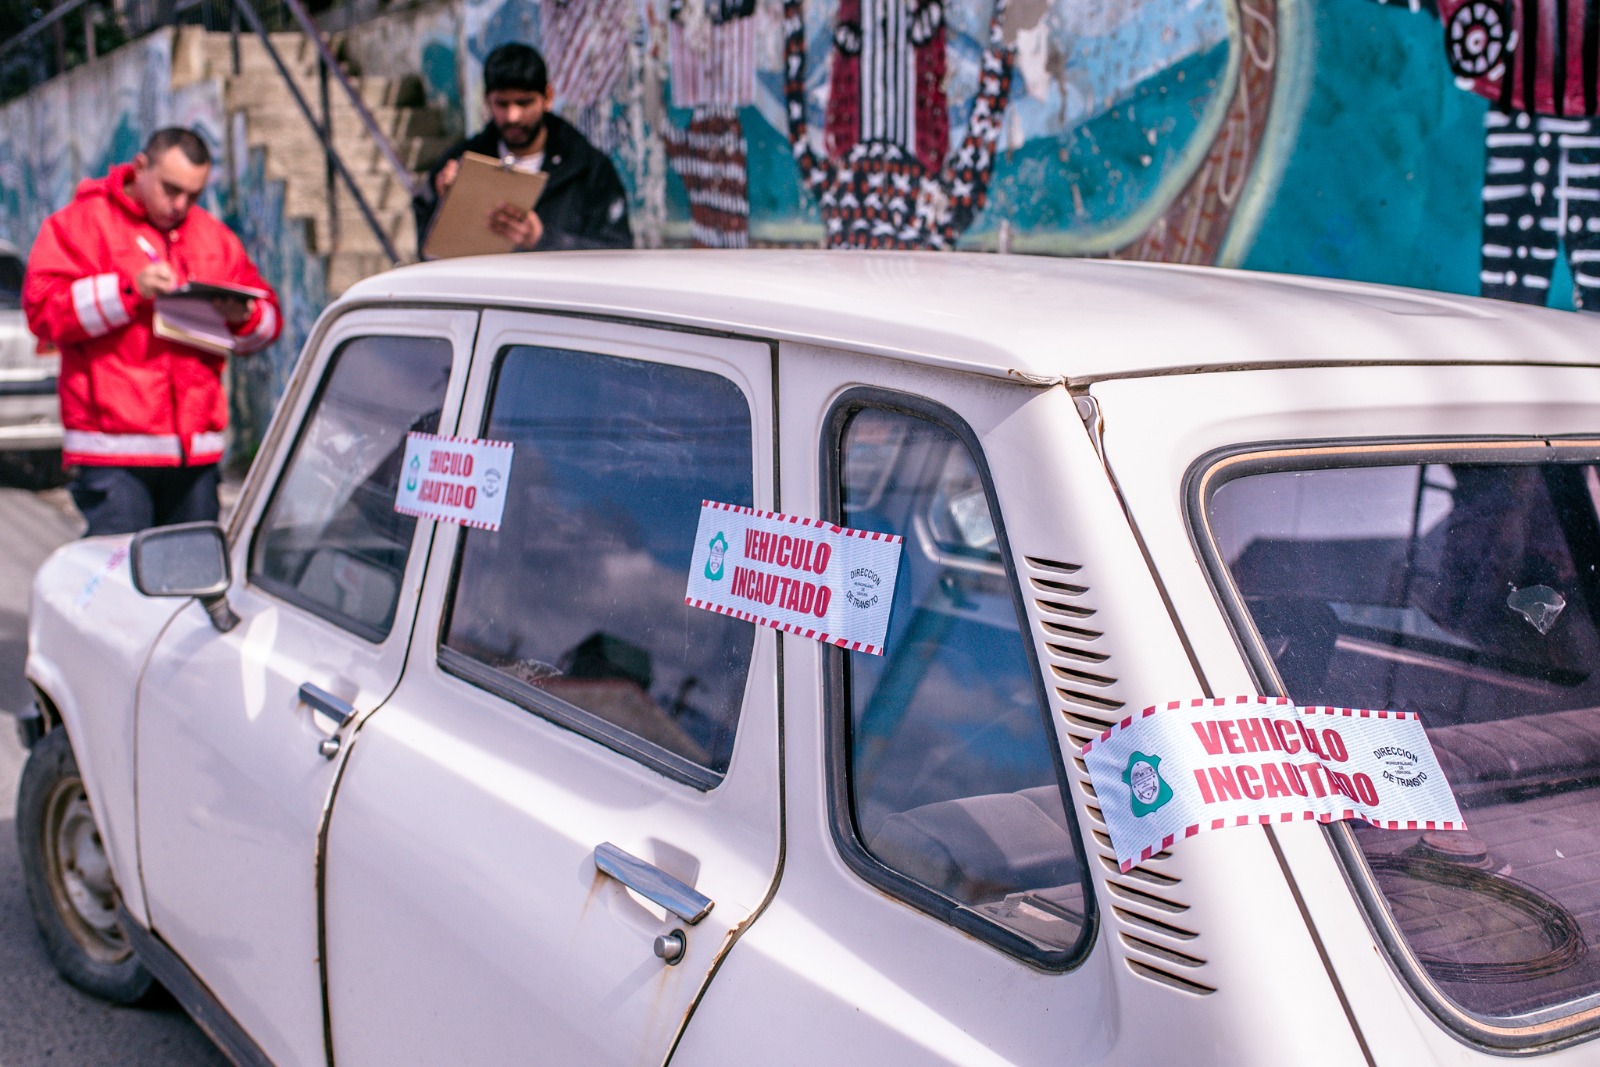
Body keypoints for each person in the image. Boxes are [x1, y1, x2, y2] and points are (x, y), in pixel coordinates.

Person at [23, 127, 282, 536]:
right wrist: (128, 290)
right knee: (123, 573)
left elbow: (268, 324)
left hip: (195, 457)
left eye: (193, 195)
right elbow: (43, 314)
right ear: (140, 167)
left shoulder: (214, 236)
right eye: (171, 189)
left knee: (190, 573)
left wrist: (243, 316)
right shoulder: (78, 225)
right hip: (112, 454)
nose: (180, 205)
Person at [413, 43, 632, 255]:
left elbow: (617, 252)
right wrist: (446, 204)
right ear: (487, 101)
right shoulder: (461, 162)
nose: (512, 116)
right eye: (502, 104)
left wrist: (542, 239)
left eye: (524, 103)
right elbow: (427, 251)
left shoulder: (588, 168)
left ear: (547, 97)